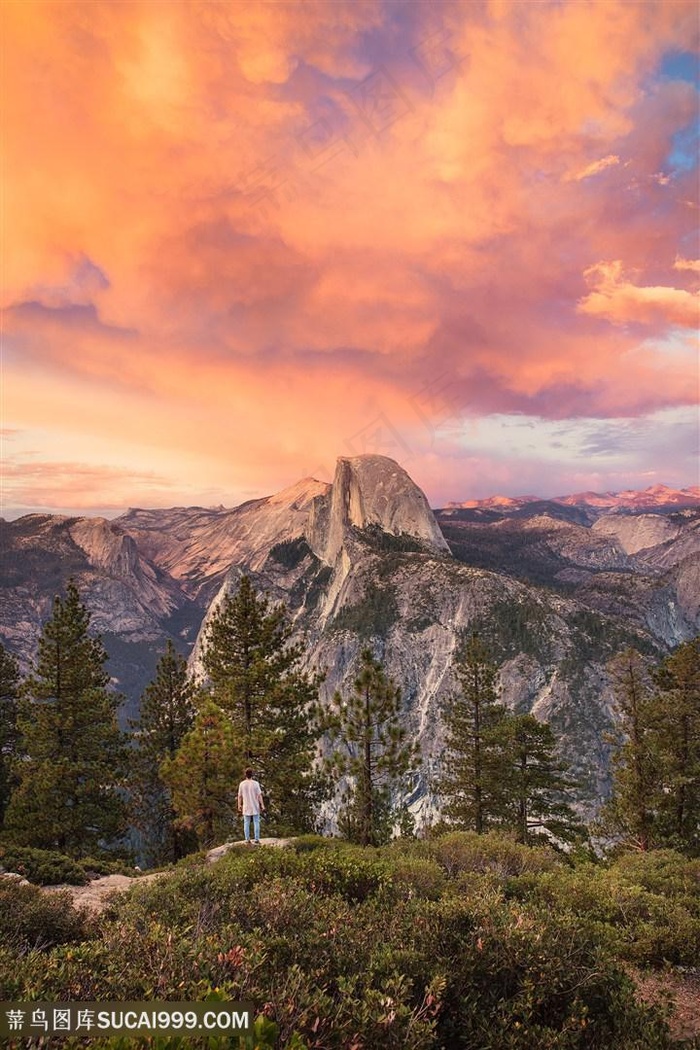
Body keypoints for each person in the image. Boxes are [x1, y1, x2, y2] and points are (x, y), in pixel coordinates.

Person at [237, 767, 265, 845]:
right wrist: (262, 805)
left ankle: (247, 839)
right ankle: (256, 839)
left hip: (246, 806)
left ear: (245, 775)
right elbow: (259, 795)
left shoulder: (242, 784)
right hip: (255, 806)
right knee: (256, 822)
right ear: (252, 775)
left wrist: (239, 805)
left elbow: (239, 796)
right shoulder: (256, 783)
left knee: (246, 823)